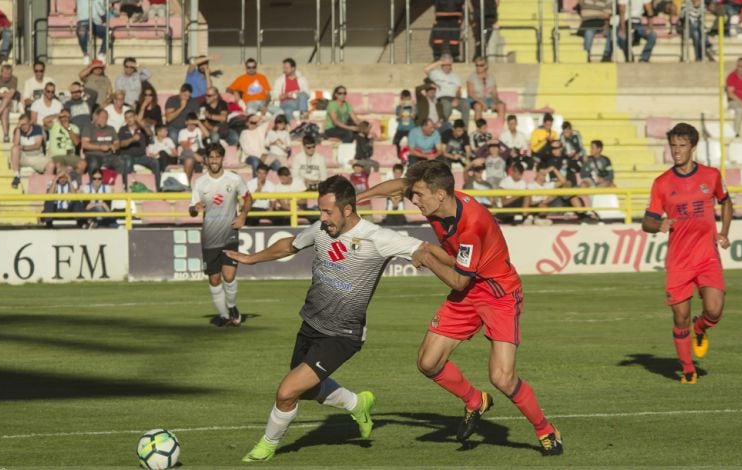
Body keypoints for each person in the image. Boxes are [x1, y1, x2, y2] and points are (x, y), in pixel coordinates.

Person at [356, 160, 563, 456]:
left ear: (440, 195)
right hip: (469, 287)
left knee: (502, 377)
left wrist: (427, 258)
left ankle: (545, 429)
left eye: (419, 196)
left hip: (498, 293)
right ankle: (475, 401)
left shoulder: (471, 226)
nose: (414, 201)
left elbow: (458, 281)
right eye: (414, 195)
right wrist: (357, 199)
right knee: (428, 362)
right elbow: (400, 186)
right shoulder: (437, 199)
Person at [224, 175, 427, 462]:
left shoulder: (376, 237)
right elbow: (290, 245)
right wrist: (251, 258)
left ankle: (267, 446)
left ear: (347, 209)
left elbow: (423, 249)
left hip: (343, 334)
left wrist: (459, 267)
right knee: (306, 390)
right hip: (311, 323)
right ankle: (356, 403)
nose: (322, 217)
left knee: (287, 392)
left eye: (327, 211)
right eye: (320, 210)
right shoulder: (322, 229)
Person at [642, 123, 732, 384]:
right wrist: (659, 225)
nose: (676, 150)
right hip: (679, 261)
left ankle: (699, 327)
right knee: (679, 316)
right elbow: (647, 222)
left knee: (714, 310)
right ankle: (688, 369)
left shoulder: (711, 176)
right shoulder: (661, 183)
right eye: (673, 145)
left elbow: (726, 201)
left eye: (682, 145)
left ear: (693, 147)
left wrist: (724, 232)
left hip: (707, 256)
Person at [188, 143, 252, 327]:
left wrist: (243, 215)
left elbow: (248, 198)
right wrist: (195, 208)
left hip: (229, 234)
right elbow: (192, 210)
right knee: (214, 279)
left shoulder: (234, 179)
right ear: (206, 160)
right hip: (210, 237)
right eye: (211, 157)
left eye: (217, 157)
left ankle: (231, 307)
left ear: (222, 158)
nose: (214, 160)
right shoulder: (200, 182)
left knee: (229, 276)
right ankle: (224, 316)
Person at [82, 109, 126, 189]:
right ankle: (94, 188)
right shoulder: (89, 128)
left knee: (121, 162)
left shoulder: (111, 129)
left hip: (109, 155)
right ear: (96, 117)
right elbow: (84, 144)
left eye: (106, 118)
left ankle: (120, 186)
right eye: (102, 117)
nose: (104, 120)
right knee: (94, 164)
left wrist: (114, 146)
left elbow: (117, 143)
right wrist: (100, 147)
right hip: (93, 155)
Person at [424, 55, 471, 128]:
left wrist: (456, 98)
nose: (446, 67)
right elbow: (426, 69)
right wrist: (440, 62)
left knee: (466, 104)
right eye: (444, 65)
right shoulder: (435, 73)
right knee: (447, 106)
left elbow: (458, 91)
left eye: (448, 65)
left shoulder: (455, 76)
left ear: (451, 65)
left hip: (453, 98)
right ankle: (442, 127)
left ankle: (464, 130)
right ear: (441, 65)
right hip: (441, 98)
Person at [119, 110, 160, 190]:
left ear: (135, 117)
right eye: (126, 118)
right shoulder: (123, 129)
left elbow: (150, 134)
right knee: (128, 161)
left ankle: (158, 189)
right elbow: (121, 144)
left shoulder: (142, 128)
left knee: (155, 162)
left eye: (130, 117)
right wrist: (131, 140)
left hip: (141, 156)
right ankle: (126, 188)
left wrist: (141, 124)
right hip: (127, 155)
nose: (128, 119)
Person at [9, 114, 54, 189]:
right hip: (24, 156)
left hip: (37, 156)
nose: (23, 127)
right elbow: (16, 144)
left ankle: (46, 187)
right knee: (14, 149)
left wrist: (23, 147)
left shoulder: (37, 129)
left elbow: (37, 145)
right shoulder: (18, 130)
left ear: (30, 122)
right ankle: (16, 176)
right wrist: (18, 128)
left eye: (25, 124)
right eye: (21, 125)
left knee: (51, 165)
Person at [466, 57, 506, 122]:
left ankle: (499, 125)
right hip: (475, 99)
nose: (478, 67)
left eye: (481, 65)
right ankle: (479, 126)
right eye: (477, 65)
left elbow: (494, 93)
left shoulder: (491, 77)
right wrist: (482, 103)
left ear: (485, 66)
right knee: (478, 107)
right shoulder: (471, 77)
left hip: (488, 99)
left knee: (501, 106)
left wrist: (494, 102)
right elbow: (470, 93)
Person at [178, 112, 209, 184]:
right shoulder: (183, 132)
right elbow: (185, 147)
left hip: (200, 151)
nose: (191, 126)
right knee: (189, 159)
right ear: (186, 123)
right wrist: (195, 155)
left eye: (193, 124)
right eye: (190, 124)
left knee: (210, 156)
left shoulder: (198, 130)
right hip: (188, 152)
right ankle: (187, 184)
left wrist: (198, 122)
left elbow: (207, 134)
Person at [76, 0, 108, 64]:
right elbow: (99, 7)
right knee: (107, 32)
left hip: (89, 21)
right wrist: (104, 18)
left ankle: (86, 55)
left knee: (82, 30)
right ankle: (101, 54)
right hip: (92, 21)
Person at [393, 89, 416, 158]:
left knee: (412, 144)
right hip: (401, 129)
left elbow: (414, 116)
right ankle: (399, 156)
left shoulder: (413, 107)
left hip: (410, 129)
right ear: (402, 99)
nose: (406, 101)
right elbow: (399, 117)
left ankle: (410, 156)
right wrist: (402, 107)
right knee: (395, 142)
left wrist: (413, 107)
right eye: (404, 99)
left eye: (408, 99)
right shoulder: (398, 107)